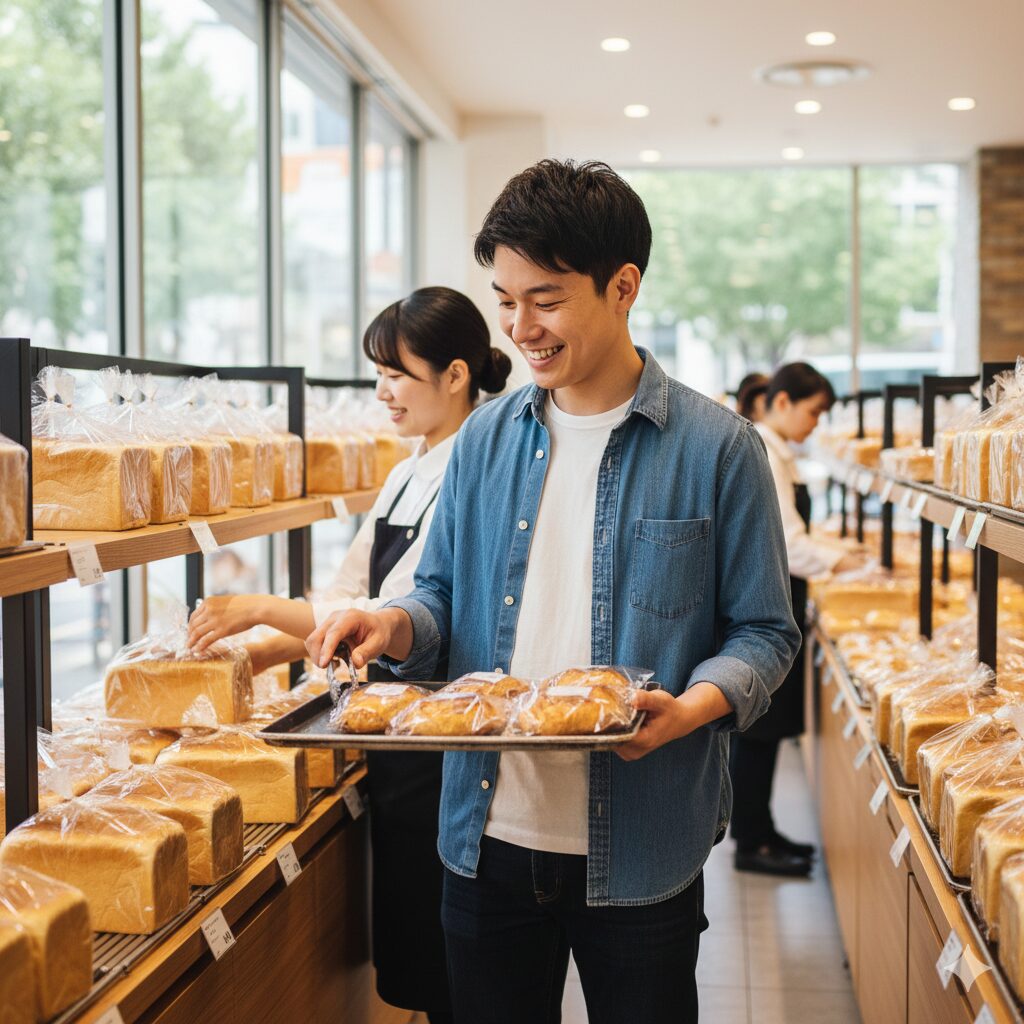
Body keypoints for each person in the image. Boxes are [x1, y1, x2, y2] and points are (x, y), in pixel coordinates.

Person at [306, 159, 801, 1024]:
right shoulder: (486, 440)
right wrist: (388, 625)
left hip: (643, 849)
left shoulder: (719, 448)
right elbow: (439, 600)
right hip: (485, 838)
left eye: (546, 298)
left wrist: (692, 707)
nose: (519, 327)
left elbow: (765, 631)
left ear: (622, 286)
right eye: (504, 298)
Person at [187, 286, 512, 1024]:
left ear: (456, 375)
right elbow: (346, 587)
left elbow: (392, 607)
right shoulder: (407, 470)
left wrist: (261, 609)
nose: (383, 390)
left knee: (452, 953)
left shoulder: (478, 469)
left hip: (444, 734)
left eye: (398, 372)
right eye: (379, 372)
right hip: (390, 728)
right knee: (419, 954)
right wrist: (265, 652)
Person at [729, 362, 868, 876]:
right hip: (766, 607)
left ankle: (760, 832)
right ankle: (752, 841)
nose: (816, 424)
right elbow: (785, 542)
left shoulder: (778, 451)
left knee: (766, 729)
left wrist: (837, 550)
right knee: (760, 729)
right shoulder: (763, 449)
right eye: (813, 412)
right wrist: (842, 560)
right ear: (782, 402)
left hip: (776, 601)